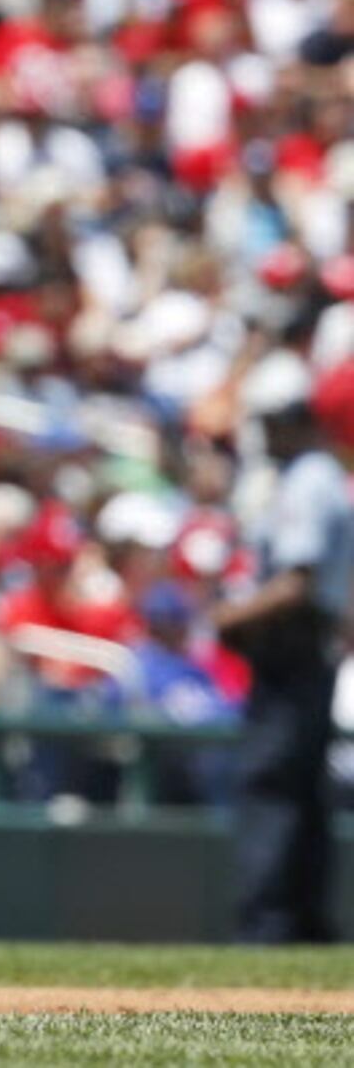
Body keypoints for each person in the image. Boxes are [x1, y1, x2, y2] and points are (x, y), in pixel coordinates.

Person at [211, 355, 352, 943]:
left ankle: (270, 924)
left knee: (272, 786)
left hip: (293, 653)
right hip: (305, 651)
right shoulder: (316, 475)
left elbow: (297, 579)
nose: (263, 434)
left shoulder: (309, 477)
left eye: (270, 421)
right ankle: (298, 920)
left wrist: (231, 616)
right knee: (298, 792)